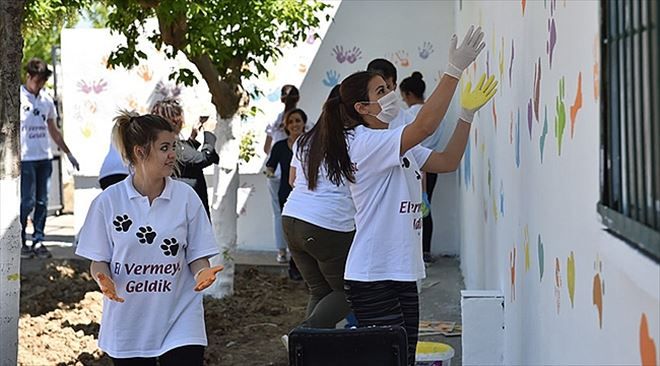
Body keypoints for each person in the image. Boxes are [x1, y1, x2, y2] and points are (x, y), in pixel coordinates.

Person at [314, 26, 493, 364]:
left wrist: (466, 117)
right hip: (373, 274)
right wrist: (453, 71)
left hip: (402, 270)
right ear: (363, 107)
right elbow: (424, 126)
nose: (391, 93)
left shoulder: (395, 141)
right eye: (381, 90)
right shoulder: (362, 143)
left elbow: (447, 161)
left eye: (390, 87)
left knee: (404, 357)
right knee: (389, 359)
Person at [75, 111, 223, 365]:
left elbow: (197, 255)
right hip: (128, 321)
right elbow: (98, 261)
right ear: (140, 152)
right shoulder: (108, 202)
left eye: (173, 147)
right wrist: (103, 279)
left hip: (180, 317)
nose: (173, 155)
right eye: (164, 148)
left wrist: (202, 273)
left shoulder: (186, 198)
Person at [281, 86, 357, 330]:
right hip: (327, 224)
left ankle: (308, 353)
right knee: (350, 292)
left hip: (292, 218)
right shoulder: (354, 139)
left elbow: (293, 180)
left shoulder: (305, 138)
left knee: (320, 290)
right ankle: (303, 336)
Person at [20, 57, 80, 259]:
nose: (39, 85)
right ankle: (21, 241)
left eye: (42, 82)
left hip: (44, 157)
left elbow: (53, 130)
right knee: (26, 202)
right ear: (28, 77)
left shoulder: (46, 100)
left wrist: (68, 152)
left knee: (42, 202)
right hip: (25, 158)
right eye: (36, 81)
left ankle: (38, 241)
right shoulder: (18, 97)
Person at [151, 98, 219, 219]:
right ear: (176, 121)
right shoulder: (172, 146)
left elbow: (186, 159)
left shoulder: (159, 144)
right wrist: (209, 133)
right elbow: (205, 158)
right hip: (187, 205)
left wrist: (193, 138)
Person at [265, 108, 307, 281]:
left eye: (298, 120)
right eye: (291, 122)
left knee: (306, 231)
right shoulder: (280, 146)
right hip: (286, 195)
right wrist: (270, 175)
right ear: (286, 126)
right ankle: (294, 266)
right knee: (292, 233)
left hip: (309, 196)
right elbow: (270, 166)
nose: (294, 124)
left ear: (304, 123)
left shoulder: (311, 144)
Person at [400, 71, 436, 263]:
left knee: (411, 208)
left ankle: (414, 250)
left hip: (413, 165)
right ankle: (426, 251)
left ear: (407, 94)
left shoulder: (407, 115)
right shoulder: (435, 113)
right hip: (432, 165)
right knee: (426, 207)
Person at [263, 85, 300, 263]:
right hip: (297, 175)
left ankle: (281, 252)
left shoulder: (274, 121)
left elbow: (265, 148)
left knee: (278, 213)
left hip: (275, 173)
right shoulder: (302, 120)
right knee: (298, 214)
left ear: (281, 99)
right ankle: (297, 253)